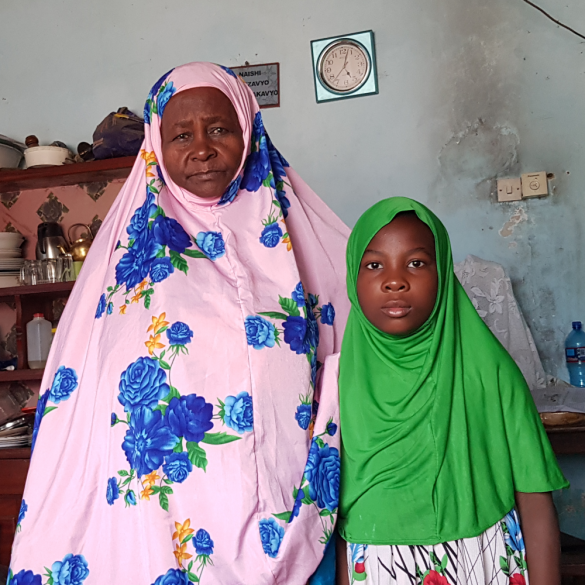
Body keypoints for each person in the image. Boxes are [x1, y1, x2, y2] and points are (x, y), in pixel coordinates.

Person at [9, 62, 349, 585]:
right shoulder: (121, 270)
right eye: (180, 135)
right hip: (166, 522)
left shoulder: (305, 238)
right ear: (155, 146)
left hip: (289, 498)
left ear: (248, 128)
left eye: (218, 129)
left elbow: (363, 343)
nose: (201, 148)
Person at [330, 197, 568, 585]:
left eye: (417, 263)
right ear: (352, 280)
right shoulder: (336, 383)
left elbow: (535, 496)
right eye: (374, 265)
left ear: (443, 273)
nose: (395, 280)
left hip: (483, 561)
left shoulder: (492, 371)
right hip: (374, 568)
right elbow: (331, 516)